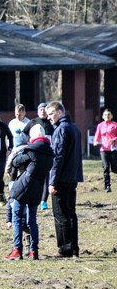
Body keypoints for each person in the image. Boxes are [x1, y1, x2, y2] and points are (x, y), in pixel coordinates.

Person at [5, 126, 53, 260]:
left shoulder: (31, 151)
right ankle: (34, 251)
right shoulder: (49, 154)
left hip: (24, 188)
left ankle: (17, 250)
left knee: (17, 218)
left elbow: (15, 162)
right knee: (32, 220)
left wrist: (17, 153)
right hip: (38, 189)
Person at [47, 101, 83, 258]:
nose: (49, 117)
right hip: (72, 177)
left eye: (51, 113)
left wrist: (52, 181)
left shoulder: (61, 130)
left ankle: (65, 248)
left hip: (61, 179)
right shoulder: (74, 128)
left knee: (61, 214)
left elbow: (58, 157)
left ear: (60, 112)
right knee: (71, 213)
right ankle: (74, 247)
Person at [23, 103, 54, 210]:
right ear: (37, 111)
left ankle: (44, 201)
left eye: (45, 109)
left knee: (47, 178)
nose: (43, 111)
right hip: (35, 154)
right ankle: (31, 198)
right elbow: (25, 132)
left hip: (48, 153)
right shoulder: (33, 122)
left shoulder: (51, 123)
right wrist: (29, 142)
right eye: (41, 109)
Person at [93, 109, 117, 193]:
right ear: (103, 116)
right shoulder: (100, 126)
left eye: (109, 114)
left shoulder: (115, 125)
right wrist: (95, 141)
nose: (107, 116)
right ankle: (107, 186)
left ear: (112, 116)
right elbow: (97, 135)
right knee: (106, 168)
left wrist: (114, 139)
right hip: (104, 149)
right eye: (105, 115)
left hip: (113, 149)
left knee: (114, 168)